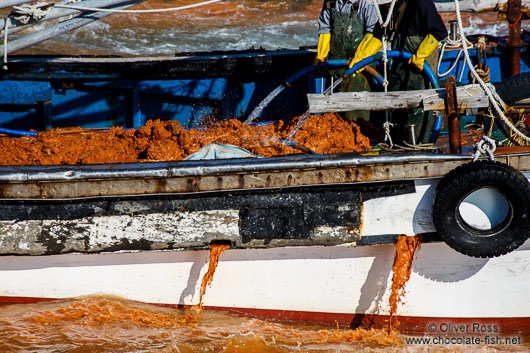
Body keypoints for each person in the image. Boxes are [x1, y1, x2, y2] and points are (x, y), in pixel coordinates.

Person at [349, 0, 448, 144]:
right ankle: (395, 145)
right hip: (400, 63)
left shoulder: (421, 3)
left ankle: (417, 147)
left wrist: (420, 55)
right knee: (393, 102)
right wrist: (360, 58)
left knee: (417, 109)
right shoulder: (391, 9)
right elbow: (379, 34)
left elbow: (439, 31)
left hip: (420, 67)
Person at [314, 0, 380, 121]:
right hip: (335, 67)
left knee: (356, 117)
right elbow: (325, 28)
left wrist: (360, 58)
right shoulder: (331, 2)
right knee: (334, 118)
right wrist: (321, 54)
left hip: (359, 69)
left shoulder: (366, 3)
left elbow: (376, 33)